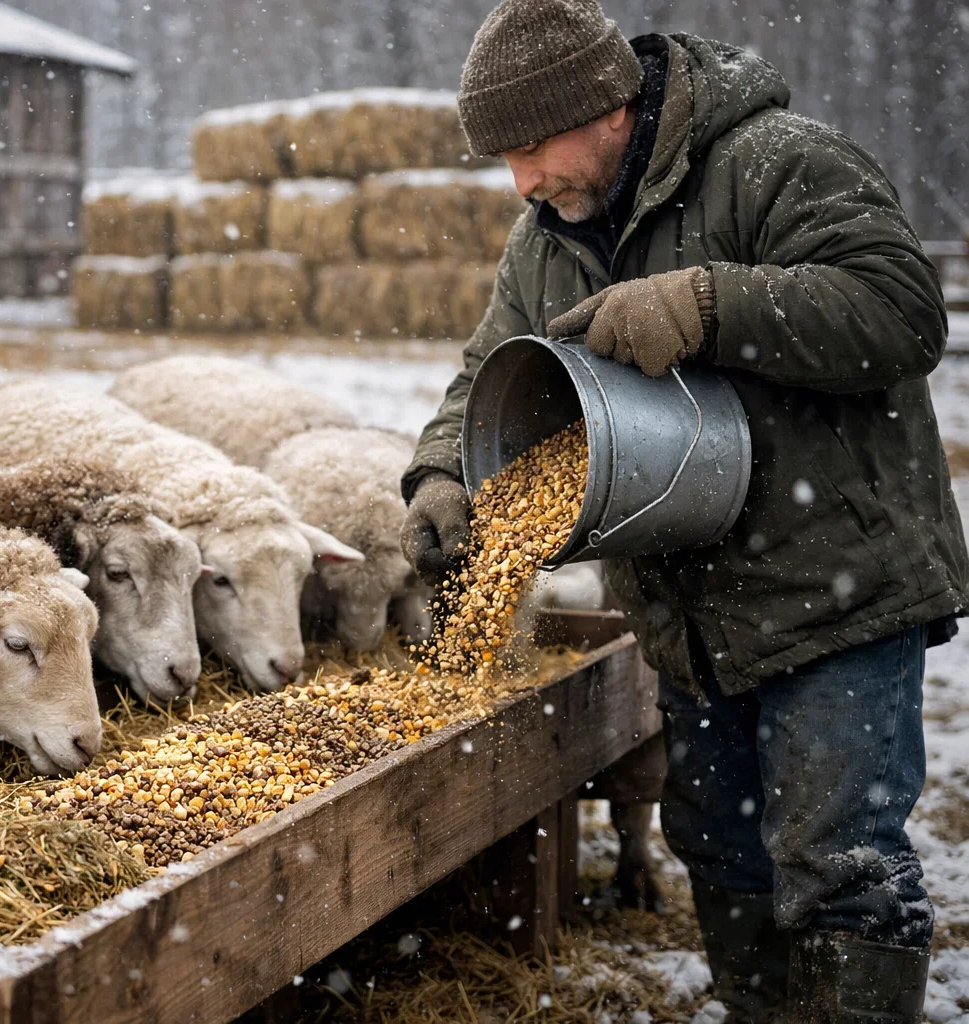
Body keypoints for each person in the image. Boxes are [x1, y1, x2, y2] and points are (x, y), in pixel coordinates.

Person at [400, 0, 968, 1019]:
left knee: (839, 864)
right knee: (717, 841)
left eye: (532, 148)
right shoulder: (547, 238)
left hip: (831, 581)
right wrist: (445, 472)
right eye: (504, 160)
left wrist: (707, 304)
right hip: (689, 602)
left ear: (608, 106)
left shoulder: (776, 162)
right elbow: (489, 370)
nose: (522, 182)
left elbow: (900, 310)